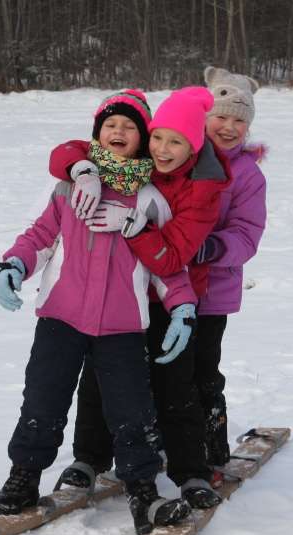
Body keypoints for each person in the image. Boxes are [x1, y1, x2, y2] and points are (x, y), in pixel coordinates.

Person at [0, 89, 196, 535]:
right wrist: (14, 265)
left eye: (129, 126)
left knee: (131, 412)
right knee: (43, 398)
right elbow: (40, 236)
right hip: (60, 317)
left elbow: (165, 264)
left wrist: (182, 309)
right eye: (109, 125)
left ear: (143, 138)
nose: (118, 131)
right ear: (97, 134)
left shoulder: (151, 200)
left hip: (122, 327)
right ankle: (23, 477)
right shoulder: (68, 186)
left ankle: (143, 491)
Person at [50, 87, 230, 509]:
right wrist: (81, 169)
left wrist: (134, 227)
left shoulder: (203, 187)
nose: (164, 150)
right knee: (99, 379)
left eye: (176, 141)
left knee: (174, 384)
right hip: (118, 294)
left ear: (194, 144)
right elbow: (70, 150)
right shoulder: (133, 161)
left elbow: (176, 256)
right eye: (158, 137)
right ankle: (89, 459)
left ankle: (190, 470)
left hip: (171, 298)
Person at [194, 66, 268, 467]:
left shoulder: (247, 175)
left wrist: (212, 248)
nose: (229, 126)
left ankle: (212, 451)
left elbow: (247, 233)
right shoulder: (179, 155)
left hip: (212, 293)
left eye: (239, 120)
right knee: (162, 372)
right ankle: (168, 443)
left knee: (204, 372)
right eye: (221, 116)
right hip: (166, 288)